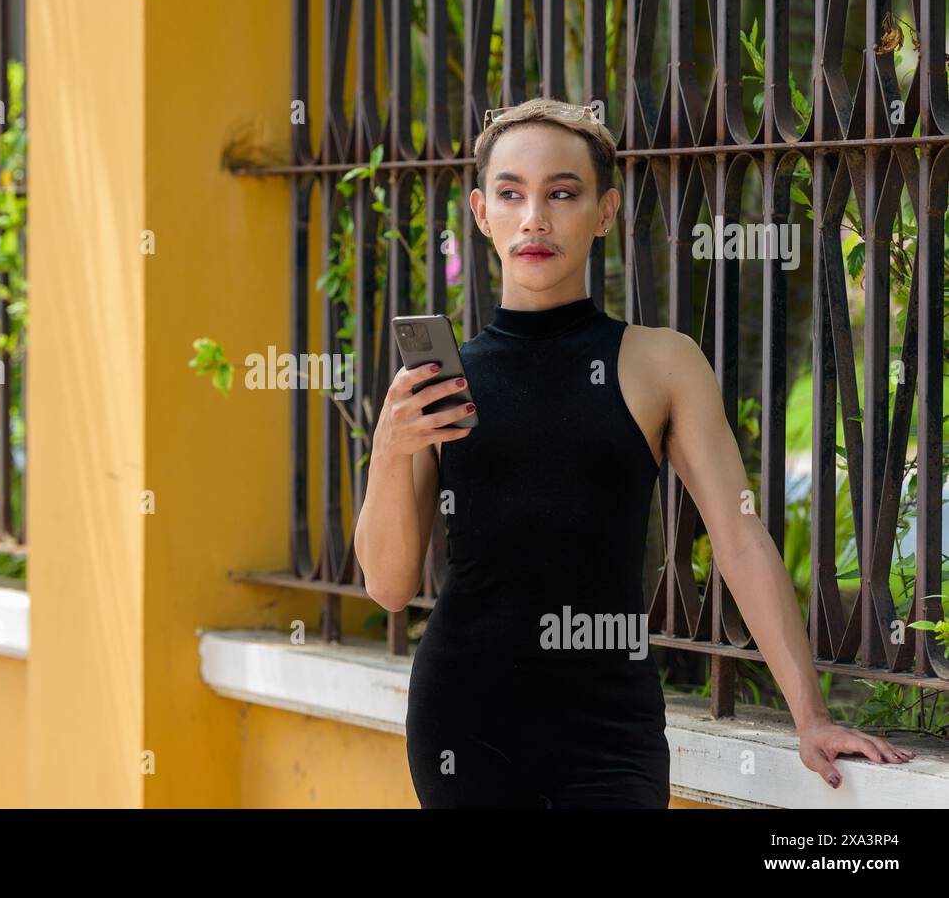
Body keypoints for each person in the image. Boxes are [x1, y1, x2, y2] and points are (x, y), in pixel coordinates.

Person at [353, 97, 916, 808]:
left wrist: (812, 716)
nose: (535, 218)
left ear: (607, 209)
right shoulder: (439, 383)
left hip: (610, 725)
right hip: (467, 718)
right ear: (480, 212)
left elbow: (738, 536)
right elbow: (390, 585)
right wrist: (388, 447)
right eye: (511, 193)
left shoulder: (660, 364)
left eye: (563, 192)